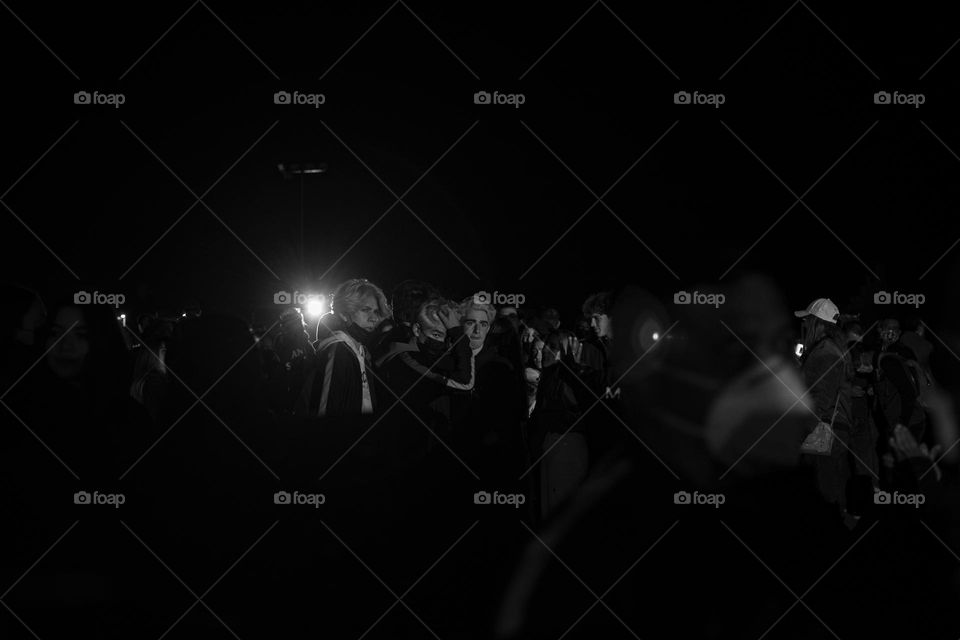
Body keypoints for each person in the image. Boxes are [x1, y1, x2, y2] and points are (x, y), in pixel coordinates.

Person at [795, 297, 856, 523]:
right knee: (832, 489)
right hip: (831, 428)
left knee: (826, 494)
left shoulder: (825, 353)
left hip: (825, 430)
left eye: (807, 321)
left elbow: (820, 399)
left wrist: (801, 432)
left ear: (817, 323)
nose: (804, 326)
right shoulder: (829, 349)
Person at [296, 279, 389, 417]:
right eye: (365, 310)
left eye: (376, 311)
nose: (373, 318)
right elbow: (326, 410)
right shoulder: (338, 350)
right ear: (344, 314)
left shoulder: (360, 349)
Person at [874, 317, 928, 444]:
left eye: (896, 329)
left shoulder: (902, 352)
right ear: (880, 330)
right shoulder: (878, 351)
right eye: (888, 328)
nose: (892, 332)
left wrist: (902, 424)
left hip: (907, 420)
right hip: (892, 419)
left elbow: (909, 391)